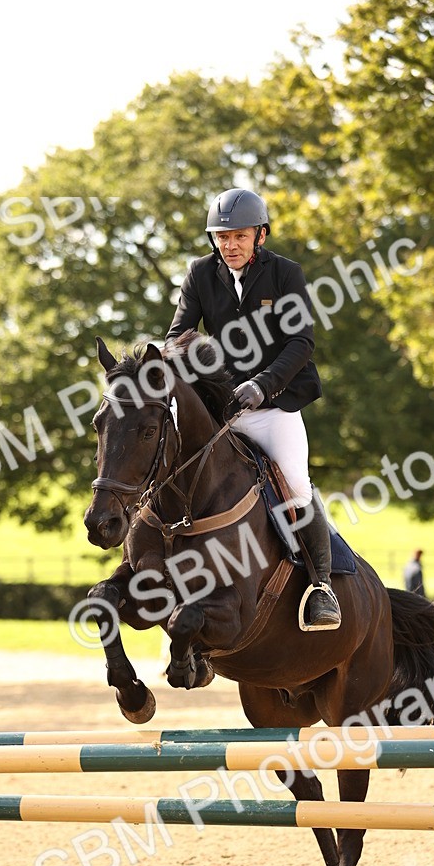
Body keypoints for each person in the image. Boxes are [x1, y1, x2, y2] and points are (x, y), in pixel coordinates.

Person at [165, 187, 341, 630]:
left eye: (239, 236)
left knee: (297, 487)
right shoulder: (200, 274)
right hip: (219, 413)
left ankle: (322, 587)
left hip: (274, 407)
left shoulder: (285, 274)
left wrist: (264, 385)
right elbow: (176, 336)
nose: (230, 245)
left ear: (260, 235)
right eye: (222, 238)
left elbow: (301, 341)